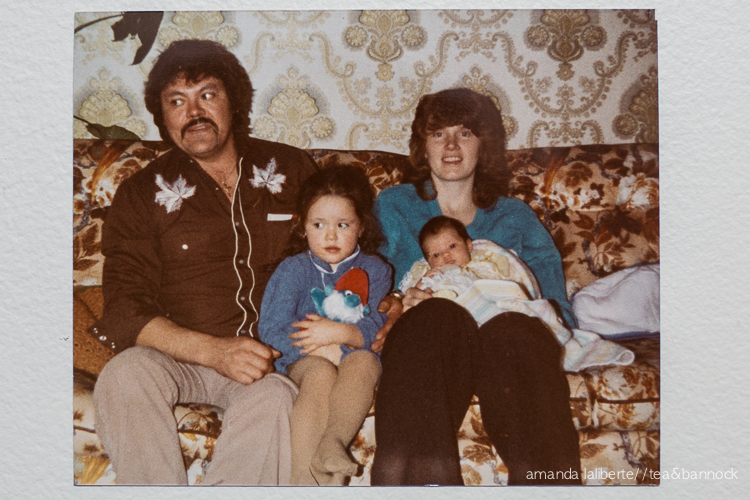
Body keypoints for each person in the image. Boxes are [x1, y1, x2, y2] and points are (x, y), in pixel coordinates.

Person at [90, 39, 319, 485]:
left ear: (234, 102)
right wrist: (213, 351)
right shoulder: (140, 193)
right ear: (163, 117)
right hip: (177, 357)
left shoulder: (293, 169)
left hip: (269, 362)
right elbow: (124, 306)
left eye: (208, 95)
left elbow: (345, 252)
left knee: (274, 398)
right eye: (176, 101)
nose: (194, 112)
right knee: (124, 374)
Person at [370, 88, 582, 485]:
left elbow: (555, 302)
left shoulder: (515, 216)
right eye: (438, 134)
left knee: (516, 329)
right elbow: (370, 281)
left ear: (483, 145)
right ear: (423, 147)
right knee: (435, 315)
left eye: (465, 133)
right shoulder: (394, 205)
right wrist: (396, 299)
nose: (451, 145)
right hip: (430, 338)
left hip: (505, 342)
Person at [259, 165, 391, 486]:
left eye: (343, 224)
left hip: (353, 358)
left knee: (364, 360)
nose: (331, 236)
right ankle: (302, 479)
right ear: (303, 227)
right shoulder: (293, 269)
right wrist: (315, 347)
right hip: (302, 361)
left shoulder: (376, 270)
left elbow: (377, 323)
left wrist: (342, 335)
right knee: (320, 372)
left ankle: (333, 443)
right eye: (318, 224)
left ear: (361, 227)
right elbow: (272, 328)